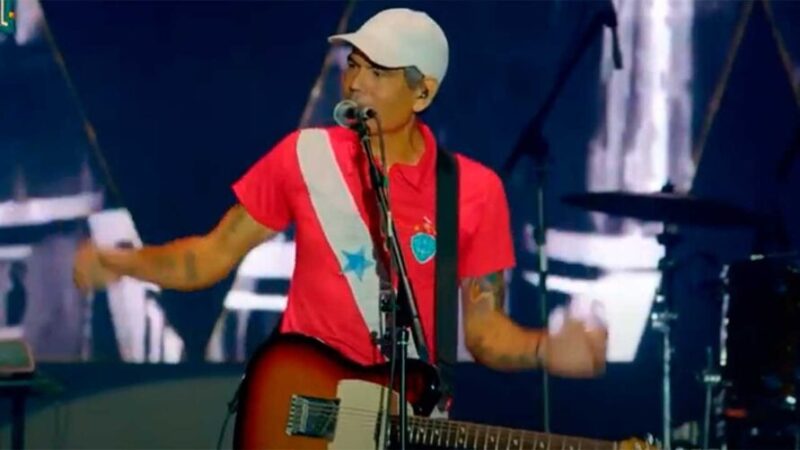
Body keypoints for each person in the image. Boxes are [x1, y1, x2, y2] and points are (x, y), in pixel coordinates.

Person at [73, 8, 606, 378]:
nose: (355, 84)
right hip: (298, 407)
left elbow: (485, 333)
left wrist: (545, 349)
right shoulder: (303, 157)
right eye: (353, 66)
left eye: (377, 72)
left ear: (423, 92)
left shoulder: (474, 191)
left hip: (407, 417)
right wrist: (124, 263)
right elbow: (208, 258)